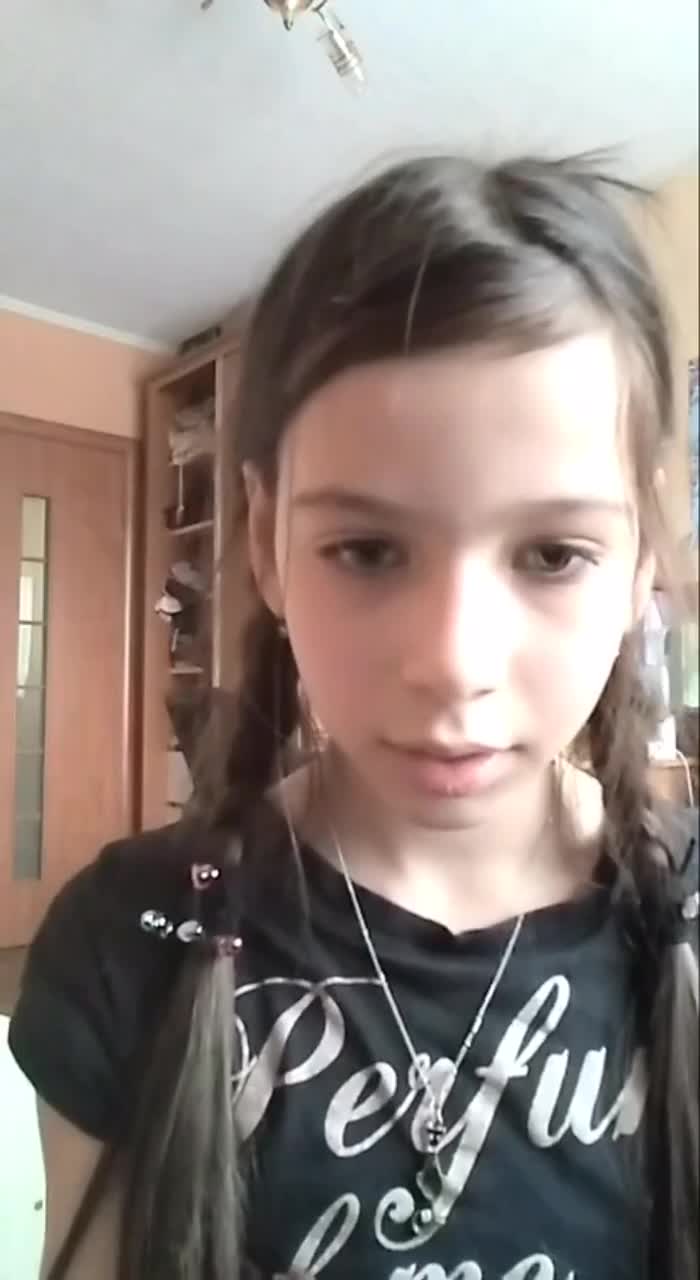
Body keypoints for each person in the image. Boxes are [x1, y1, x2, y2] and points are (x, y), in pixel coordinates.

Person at [9, 154, 699, 1280]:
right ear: (266, 539)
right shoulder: (128, 942)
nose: (454, 664)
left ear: (638, 565)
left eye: (551, 553)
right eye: (369, 549)